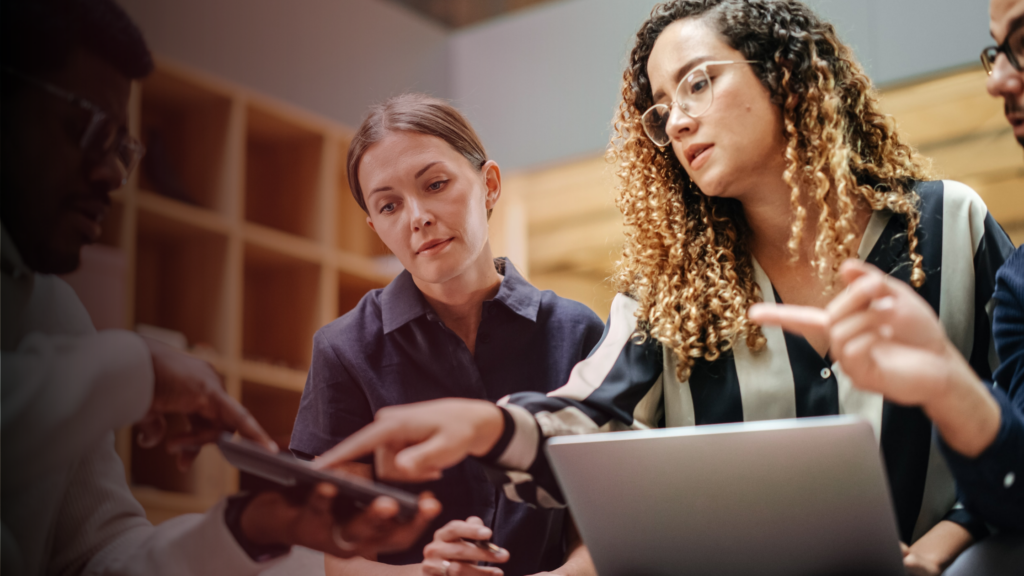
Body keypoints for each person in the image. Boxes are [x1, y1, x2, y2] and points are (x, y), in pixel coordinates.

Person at [311, 1, 1017, 573]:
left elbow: (1011, 432)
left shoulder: (950, 224)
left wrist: (938, 549)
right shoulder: (664, 292)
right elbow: (587, 425)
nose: (676, 120)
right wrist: (492, 427)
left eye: (699, 83)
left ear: (787, 75)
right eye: (661, 105)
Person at [0, 1, 438, 574]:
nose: (110, 174)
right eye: (88, 129)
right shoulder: (343, 343)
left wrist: (245, 531)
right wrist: (134, 368)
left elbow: (93, 559)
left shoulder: (55, 310)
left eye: (121, 150)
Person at [747, 0, 1024, 572]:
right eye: (997, 52)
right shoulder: (1022, 285)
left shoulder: (950, 220)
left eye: (1021, 43)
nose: (997, 80)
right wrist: (953, 389)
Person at [288, 94, 605, 576]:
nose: (416, 217)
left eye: (435, 184)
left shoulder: (577, 332)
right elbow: (343, 559)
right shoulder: (343, 349)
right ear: (377, 228)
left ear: (489, 184)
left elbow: (600, 532)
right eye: (389, 205)